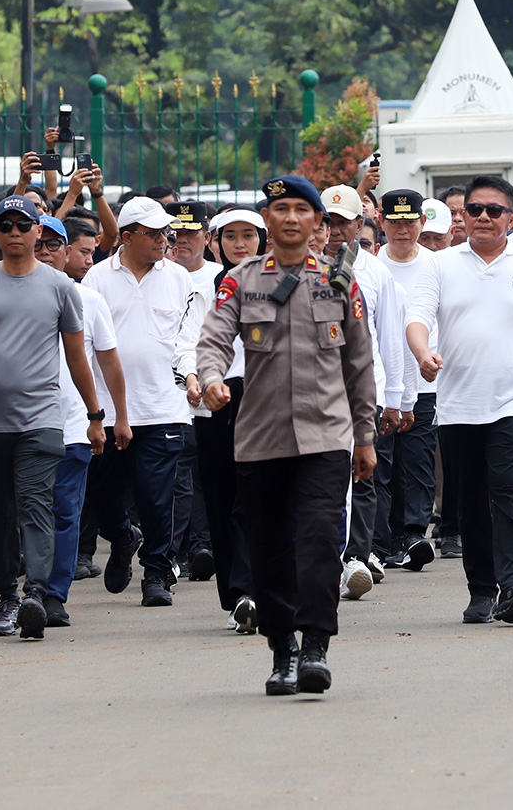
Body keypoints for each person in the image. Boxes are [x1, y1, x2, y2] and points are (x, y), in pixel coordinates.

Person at [197, 175, 376, 695]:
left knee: (320, 541)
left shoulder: (339, 283)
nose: (292, 218)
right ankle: (283, 651)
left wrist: (364, 436)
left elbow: (360, 364)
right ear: (267, 221)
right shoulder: (242, 281)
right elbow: (212, 340)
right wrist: (209, 379)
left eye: (303, 209)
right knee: (269, 546)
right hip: (260, 438)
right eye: (281, 209)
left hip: (326, 437)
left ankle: (316, 645)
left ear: (318, 223)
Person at [406, 175, 513, 625]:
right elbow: (417, 318)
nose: (481, 217)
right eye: (473, 209)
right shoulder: (440, 265)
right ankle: (481, 590)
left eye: (493, 210)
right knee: (472, 501)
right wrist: (423, 353)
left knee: (512, 489)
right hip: (459, 404)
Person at [0, 196, 105, 639]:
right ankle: (6, 596)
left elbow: (77, 357)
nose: (15, 232)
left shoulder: (60, 286)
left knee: (36, 506)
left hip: (41, 420)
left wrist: (95, 416)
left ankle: (35, 592)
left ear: (39, 231)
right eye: (6, 225)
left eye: (23, 225)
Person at [83, 196, 193, 607]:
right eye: (154, 233)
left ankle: (156, 573)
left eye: (167, 232)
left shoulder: (179, 278)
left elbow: (188, 338)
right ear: (126, 237)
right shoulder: (95, 279)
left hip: (163, 404)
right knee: (102, 492)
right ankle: (123, 536)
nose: (165, 239)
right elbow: (85, 345)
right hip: (107, 410)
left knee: (156, 494)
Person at [34, 215, 131, 625]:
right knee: (25, 511)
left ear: (67, 252)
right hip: (19, 426)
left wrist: (115, 417)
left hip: (73, 425)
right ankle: (24, 590)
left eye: (53, 245)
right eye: (37, 244)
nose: (44, 252)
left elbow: (108, 363)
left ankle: (53, 595)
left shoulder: (88, 300)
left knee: (66, 511)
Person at [175, 207, 266, 630]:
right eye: (230, 236)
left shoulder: (282, 281)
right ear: (215, 241)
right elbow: (188, 342)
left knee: (255, 498)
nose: (240, 243)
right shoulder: (205, 290)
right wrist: (194, 377)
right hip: (217, 399)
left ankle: (257, 588)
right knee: (220, 497)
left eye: (249, 235)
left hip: (268, 399)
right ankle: (237, 594)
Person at [319, 185, 413, 594]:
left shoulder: (376, 273)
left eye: (344, 222)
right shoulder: (298, 267)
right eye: (328, 221)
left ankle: (356, 557)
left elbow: (390, 340)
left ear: (360, 224)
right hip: (313, 393)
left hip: (361, 393)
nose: (335, 230)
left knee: (362, 473)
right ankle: (323, 554)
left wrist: (395, 399)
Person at [375, 190, 440, 569]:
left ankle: (413, 534)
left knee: (417, 462)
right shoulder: (369, 265)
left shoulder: (438, 264)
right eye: (395, 222)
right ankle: (382, 540)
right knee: (382, 464)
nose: (402, 230)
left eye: (409, 222)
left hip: (426, 382)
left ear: (422, 222)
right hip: (383, 385)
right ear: (381, 221)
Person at [163, 200, 218, 579]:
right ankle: (173, 550)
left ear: (207, 237)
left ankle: (201, 545)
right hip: (165, 394)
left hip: (208, 392)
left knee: (205, 474)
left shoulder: (218, 278)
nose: (182, 241)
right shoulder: (158, 274)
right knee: (173, 478)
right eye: (175, 235)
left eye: (190, 233)